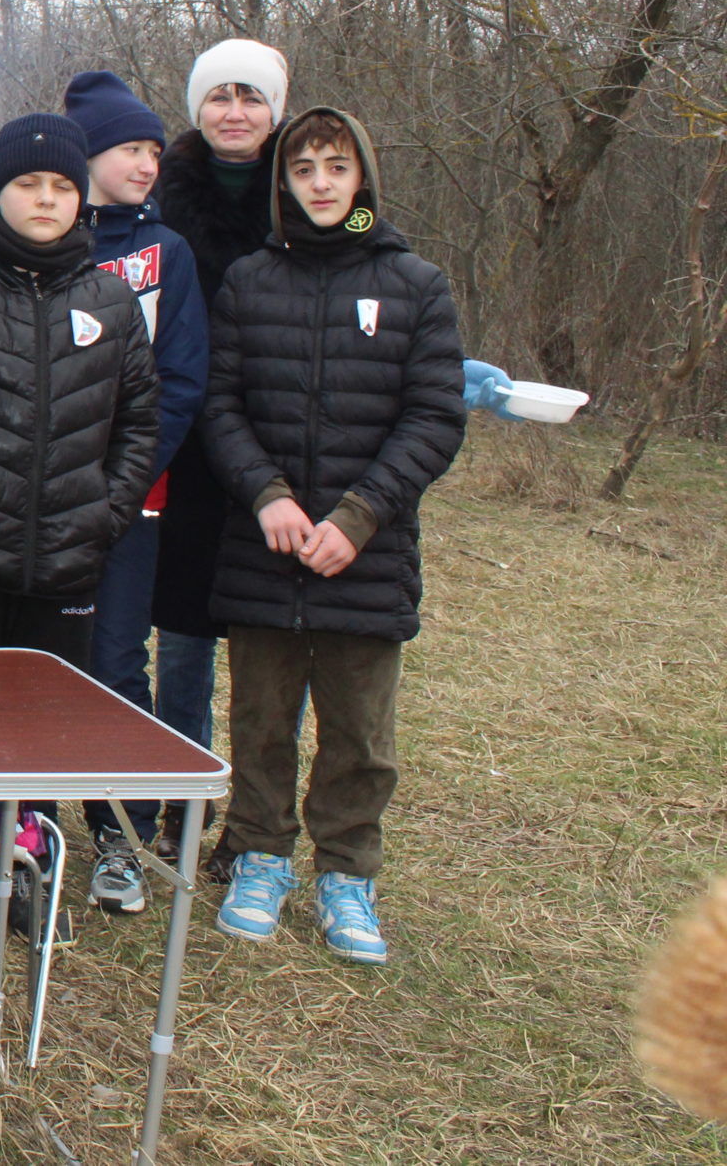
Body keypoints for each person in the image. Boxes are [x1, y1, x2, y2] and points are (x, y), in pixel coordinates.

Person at [206, 107, 466, 966]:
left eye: (336, 167)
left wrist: (359, 516)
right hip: (266, 549)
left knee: (360, 732)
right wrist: (268, 496)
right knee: (261, 720)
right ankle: (261, 856)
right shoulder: (249, 279)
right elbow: (220, 405)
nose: (321, 182)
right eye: (305, 167)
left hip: (368, 552)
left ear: (363, 178)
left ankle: (348, 872)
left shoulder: (415, 283)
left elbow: (434, 418)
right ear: (284, 180)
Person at [0, 114, 158, 955]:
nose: (45, 200)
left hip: (70, 559)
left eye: (60, 188)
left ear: (80, 199)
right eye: (27, 186)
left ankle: (24, 854)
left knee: (41, 719)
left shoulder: (112, 299)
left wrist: (105, 515)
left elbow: (139, 424)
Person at [61, 70, 210, 915]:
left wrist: (127, 477)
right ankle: (22, 823)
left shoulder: (169, 252)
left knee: (118, 661)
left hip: (133, 500)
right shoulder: (44, 233)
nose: (147, 164)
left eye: (155, 150)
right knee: (38, 662)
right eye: (129, 149)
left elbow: (183, 377)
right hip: (38, 503)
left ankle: (121, 832)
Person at [147, 36, 288, 864]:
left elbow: (373, 242)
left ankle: (261, 822)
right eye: (220, 95)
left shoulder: (307, 181)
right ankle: (179, 804)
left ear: (275, 109)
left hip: (285, 442)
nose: (236, 111)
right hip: (190, 446)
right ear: (197, 106)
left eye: (252, 96)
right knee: (186, 633)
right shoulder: (162, 189)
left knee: (273, 641)